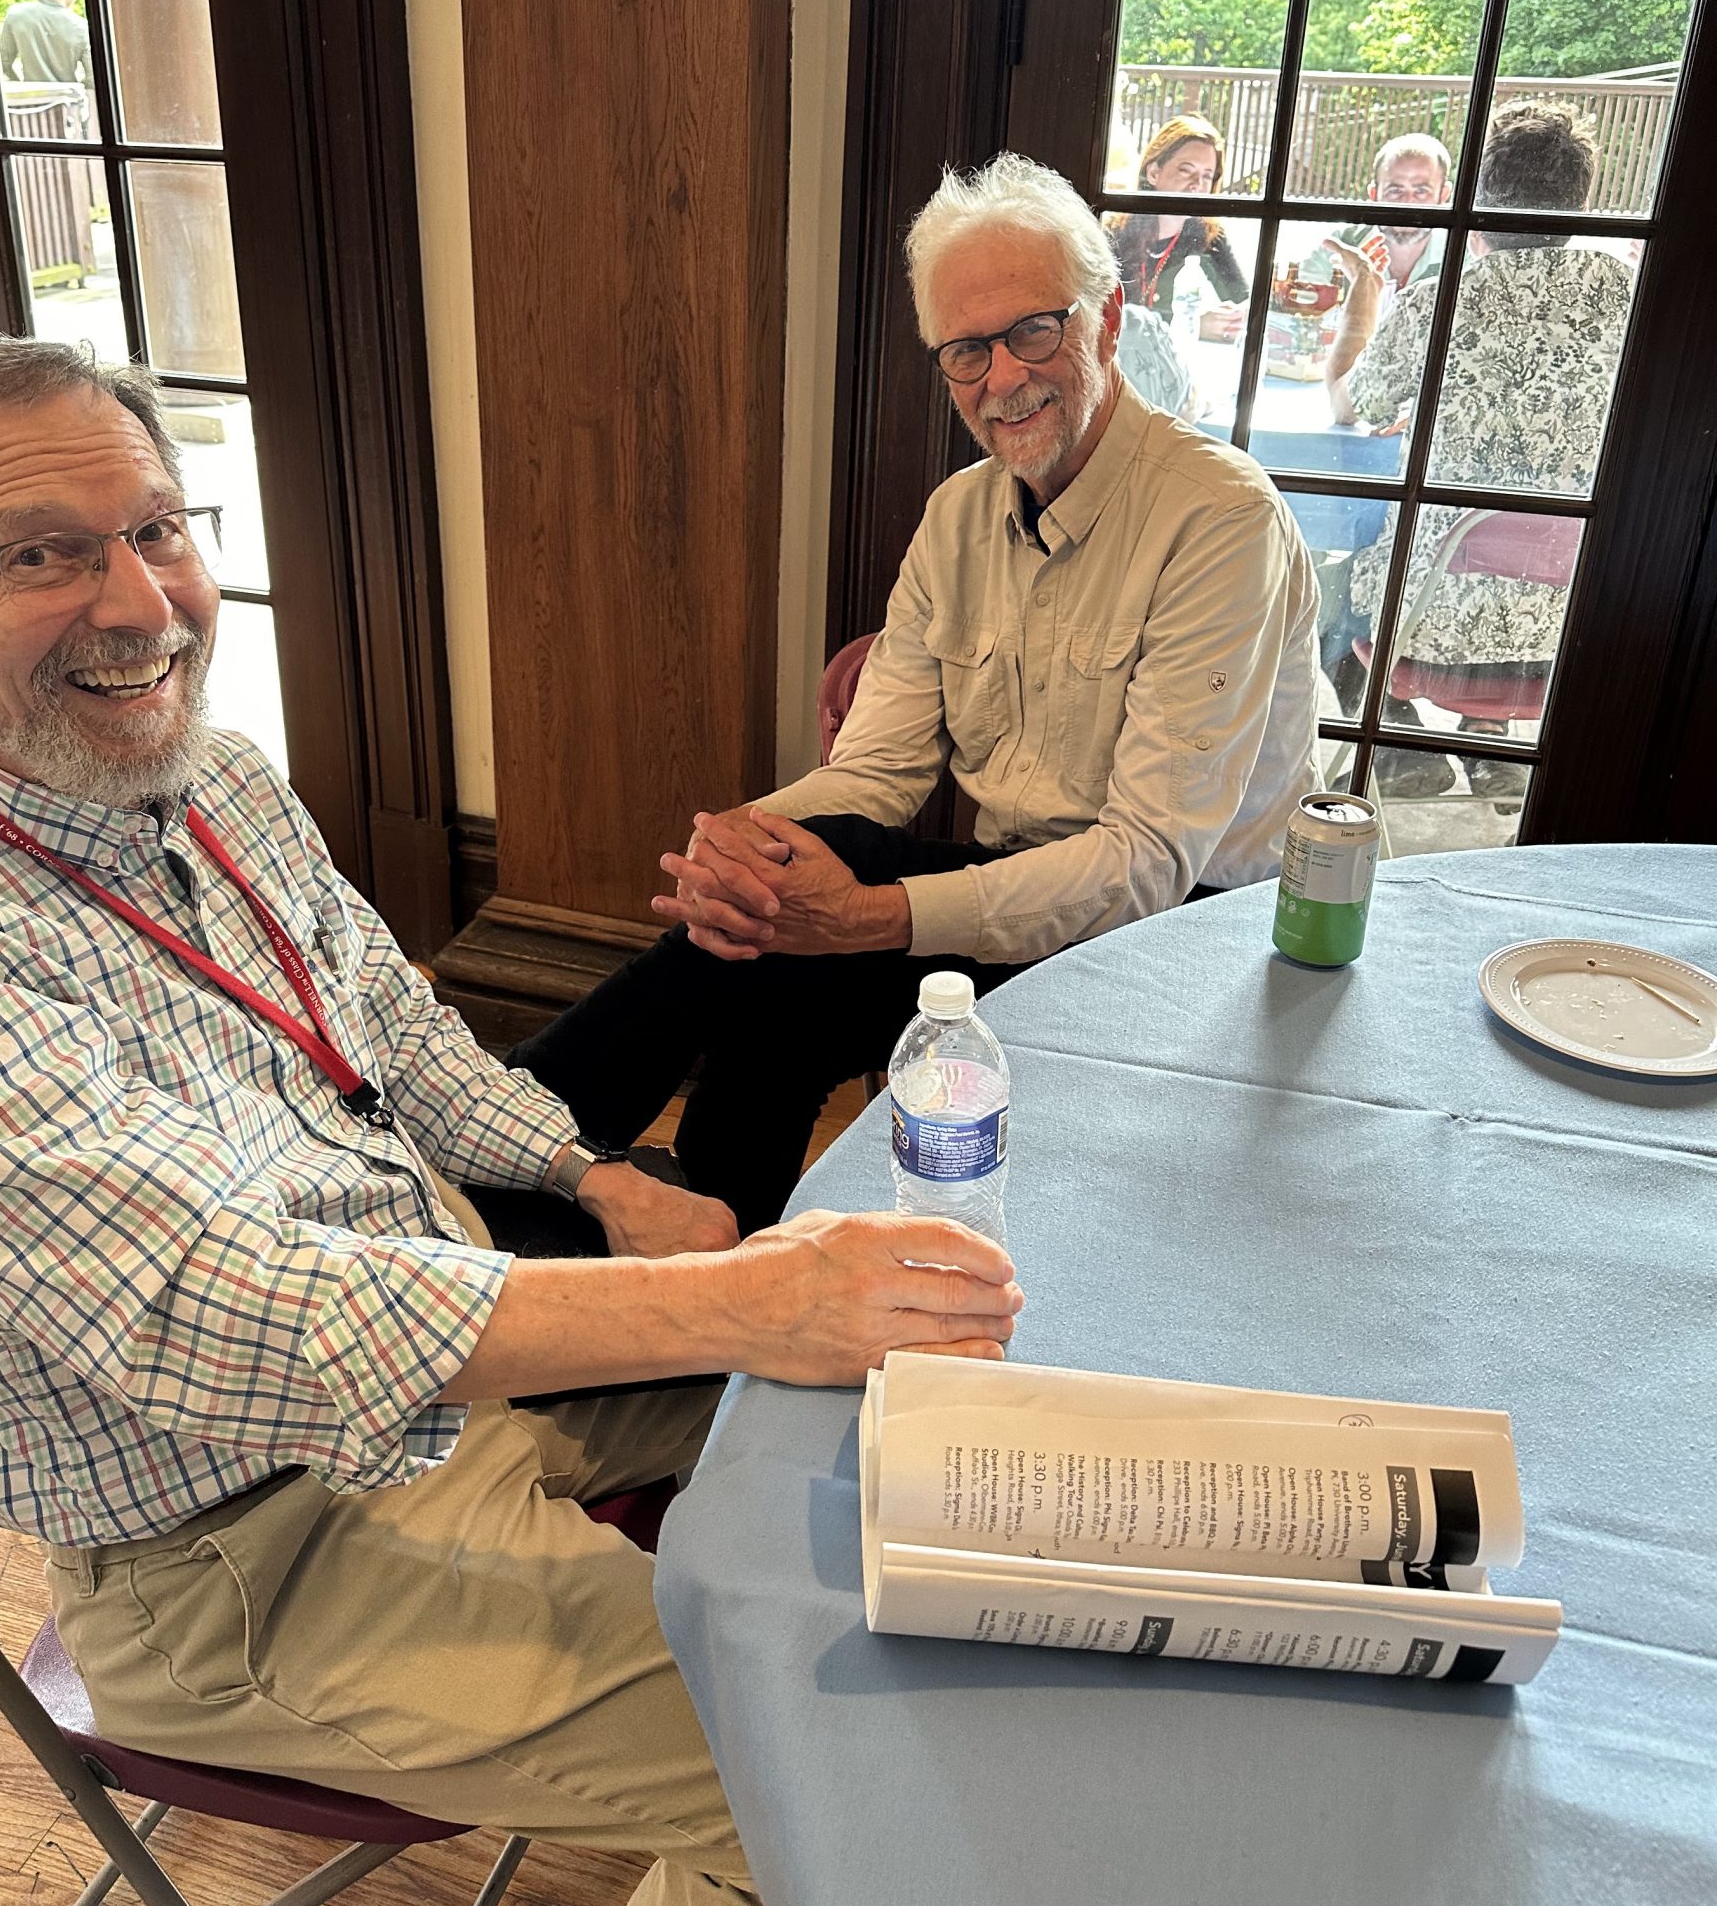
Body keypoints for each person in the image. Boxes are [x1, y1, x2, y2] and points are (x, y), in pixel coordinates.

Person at [0, 335, 1022, 1906]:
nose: (137, 602)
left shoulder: (211, 783)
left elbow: (393, 1029)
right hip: (243, 1558)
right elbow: (224, 1312)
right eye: (41, 553)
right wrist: (750, 1298)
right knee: (860, 1796)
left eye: (155, 529)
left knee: (936, 1414)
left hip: (450, 1382)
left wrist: (601, 1182)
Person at [512, 154, 1320, 1236]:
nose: (1003, 378)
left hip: (1186, 939)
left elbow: (1144, 863)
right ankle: (707, 1249)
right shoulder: (959, 516)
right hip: (1018, 897)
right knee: (768, 938)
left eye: (1034, 331)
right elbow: (875, 775)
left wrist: (866, 915)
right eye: (966, 351)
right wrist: (736, 845)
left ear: (1109, 320)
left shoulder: (1220, 519)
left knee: (796, 942)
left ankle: (514, 1151)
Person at [1337, 102, 1631, 800]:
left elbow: (1356, 403)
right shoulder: (1631, 295)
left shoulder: (1439, 301)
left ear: (1477, 200)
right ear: (1579, 204)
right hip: (1571, 617)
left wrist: (1361, 299)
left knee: (1326, 587)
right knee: (1497, 549)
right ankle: (1487, 743)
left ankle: (1399, 747)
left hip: (1430, 619)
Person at [1319, 132, 1453, 390]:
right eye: (1395, 190)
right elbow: (1288, 318)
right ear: (1374, 193)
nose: (1408, 204)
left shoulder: (1463, 259)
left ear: (1443, 194)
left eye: (1421, 191)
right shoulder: (1339, 246)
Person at [1104, 113, 1249, 338]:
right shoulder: (1114, 234)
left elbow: (1241, 300)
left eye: (1207, 176)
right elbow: (1103, 319)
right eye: (1186, 170)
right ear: (1154, 173)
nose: (1197, 184)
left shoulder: (1208, 235)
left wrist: (1229, 321)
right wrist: (1194, 325)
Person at [0, 0, 93, 130]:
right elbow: (92, 77)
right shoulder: (80, 27)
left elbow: (3, 64)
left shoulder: (16, 16)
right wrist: (77, 89)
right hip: (68, 113)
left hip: (30, 114)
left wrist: (22, 86)